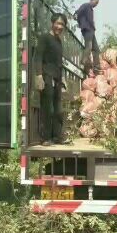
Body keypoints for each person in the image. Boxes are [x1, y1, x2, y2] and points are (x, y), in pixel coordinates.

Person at [34, 13, 68, 146]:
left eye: (62, 25)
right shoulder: (45, 38)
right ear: (52, 23)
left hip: (57, 78)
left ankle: (57, 137)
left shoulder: (59, 41)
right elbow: (38, 57)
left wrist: (63, 78)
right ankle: (45, 138)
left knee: (58, 109)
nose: (60, 26)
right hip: (46, 76)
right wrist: (39, 76)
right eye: (58, 23)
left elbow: (59, 62)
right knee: (47, 108)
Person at [74, 0, 101, 75]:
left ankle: (96, 66)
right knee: (88, 47)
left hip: (91, 30)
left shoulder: (90, 9)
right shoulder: (86, 5)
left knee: (96, 49)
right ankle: (83, 62)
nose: (96, 5)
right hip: (87, 29)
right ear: (92, 0)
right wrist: (76, 16)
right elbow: (78, 11)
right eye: (96, 3)